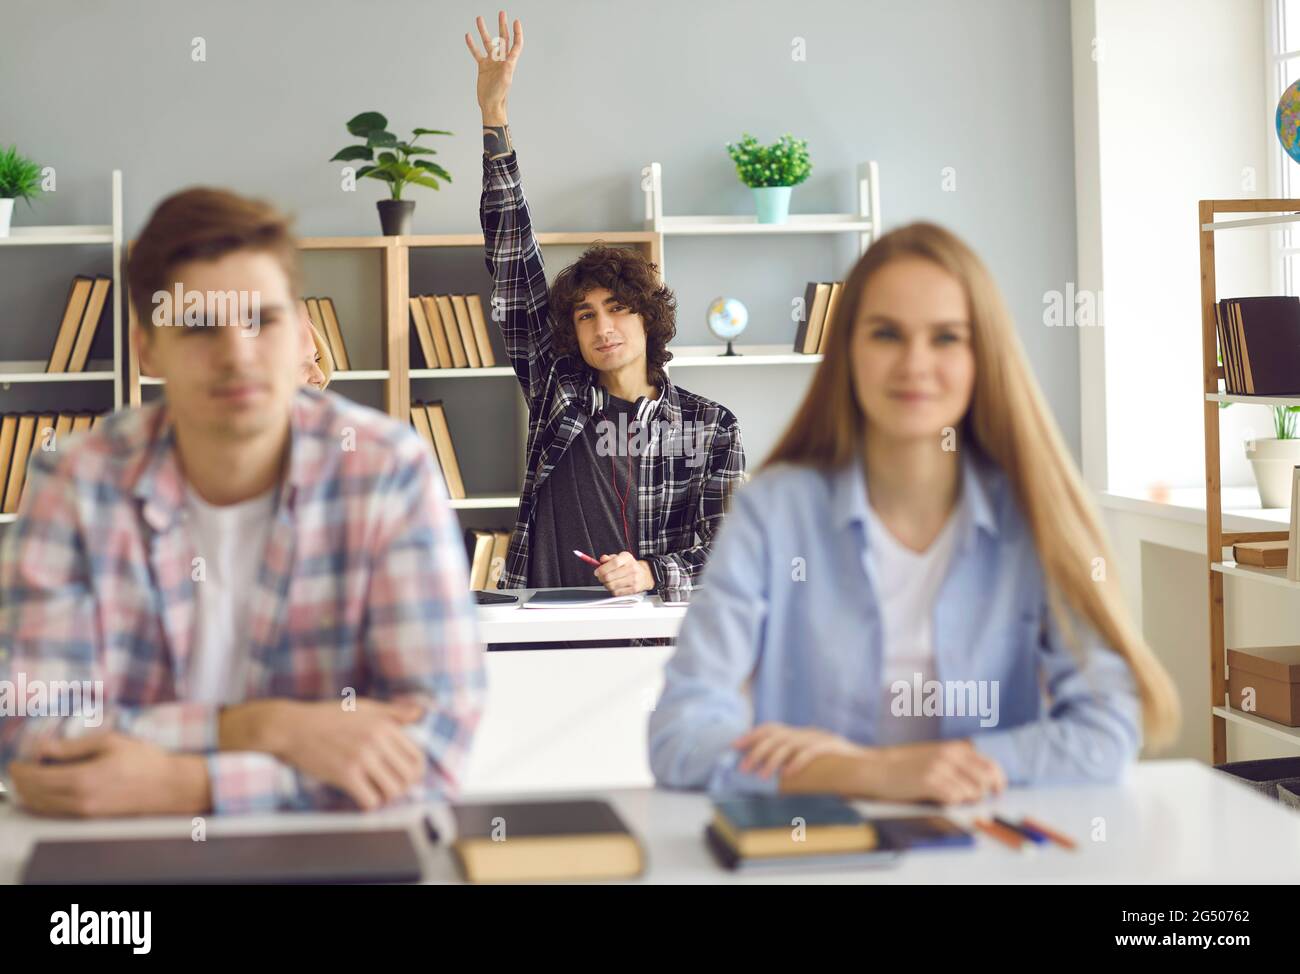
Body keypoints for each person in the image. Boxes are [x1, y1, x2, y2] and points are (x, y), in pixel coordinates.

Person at [649, 222, 1180, 804]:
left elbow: (1106, 736)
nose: (915, 363)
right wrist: (867, 774)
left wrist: (937, 767)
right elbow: (681, 736)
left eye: (947, 337)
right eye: (886, 334)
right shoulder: (774, 510)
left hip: (986, 852)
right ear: (849, 350)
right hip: (821, 854)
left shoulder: (1036, 513)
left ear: (983, 355)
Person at [0, 187, 485, 816]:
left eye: (263, 319)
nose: (237, 354)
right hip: (132, 862)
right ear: (147, 347)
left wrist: (187, 785)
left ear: (303, 333)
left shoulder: (389, 473)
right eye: (199, 324)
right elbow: (35, 734)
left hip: (329, 859)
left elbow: (434, 748)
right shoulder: (76, 484)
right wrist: (265, 727)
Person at [466, 11, 745, 598]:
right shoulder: (556, 389)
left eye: (617, 308)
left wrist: (649, 573)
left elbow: (732, 555)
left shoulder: (710, 426)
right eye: (585, 314)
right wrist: (495, 120)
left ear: (648, 318)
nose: (603, 326)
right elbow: (513, 261)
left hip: (645, 635)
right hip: (538, 621)